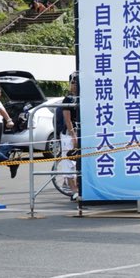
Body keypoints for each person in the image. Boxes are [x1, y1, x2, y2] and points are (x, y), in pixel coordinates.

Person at [55, 72, 80, 200]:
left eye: (76, 82)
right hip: (69, 134)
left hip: (82, 133)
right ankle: (74, 190)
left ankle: (79, 189)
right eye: (73, 82)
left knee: (80, 162)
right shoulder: (68, 99)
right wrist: (73, 135)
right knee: (69, 161)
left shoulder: (83, 97)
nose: (75, 85)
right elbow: (67, 119)